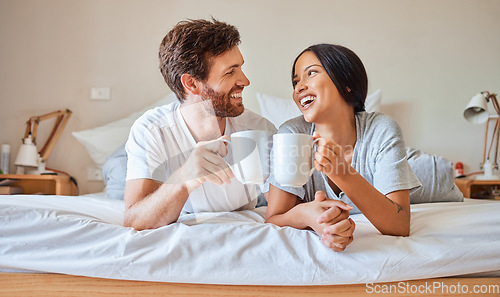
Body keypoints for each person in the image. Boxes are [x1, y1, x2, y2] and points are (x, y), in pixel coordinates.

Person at [265, 44, 421, 251]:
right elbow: (274, 218)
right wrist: (308, 215)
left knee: (436, 174)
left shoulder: (381, 129)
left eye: (311, 73)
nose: (299, 87)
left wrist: (342, 173)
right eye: (296, 81)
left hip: (420, 177)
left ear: (346, 83)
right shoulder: (291, 134)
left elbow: (399, 226)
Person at [124, 19, 276, 230]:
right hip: (164, 185)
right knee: (116, 171)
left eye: (240, 68)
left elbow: (285, 209)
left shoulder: (260, 130)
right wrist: (185, 177)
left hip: (249, 206)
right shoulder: (151, 130)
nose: (245, 80)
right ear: (192, 84)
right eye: (230, 72)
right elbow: (134, 220)